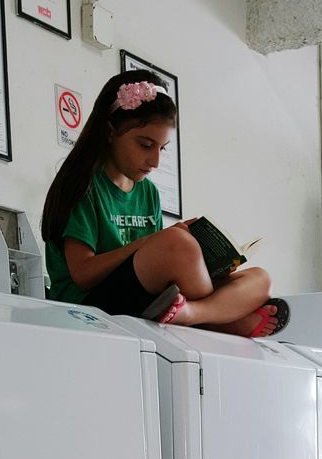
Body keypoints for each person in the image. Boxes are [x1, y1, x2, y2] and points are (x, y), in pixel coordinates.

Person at [42, 70, 287, 338]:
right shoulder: (83, 186)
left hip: (145, 300)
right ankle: (220, 321)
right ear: (110, 131)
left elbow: (160, 270)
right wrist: (155, 241)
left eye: (163, 148)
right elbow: (83, 274)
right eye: (146, 145)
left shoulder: (148, 192)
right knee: (176, 245)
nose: (155, 161)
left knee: (260, 279)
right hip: (88, 307)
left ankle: (193, 314)